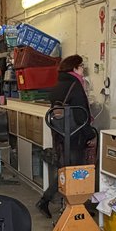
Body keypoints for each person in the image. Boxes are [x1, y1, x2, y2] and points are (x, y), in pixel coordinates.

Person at [35, 55, 92, 218]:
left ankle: (66, 202)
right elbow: (82, 115)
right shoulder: (76, 85)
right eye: (81, 66)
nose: (83, 69)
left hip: (60, 133)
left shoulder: (60, 84)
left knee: (64, 169)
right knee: (74, 170)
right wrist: (88, 134)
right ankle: (70, 204)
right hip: (75, 134)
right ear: (74, 68)